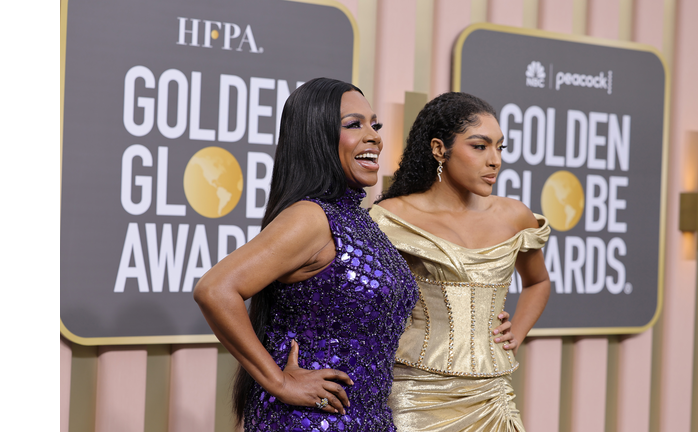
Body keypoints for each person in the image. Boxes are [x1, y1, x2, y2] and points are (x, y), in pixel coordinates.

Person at [193, 77, 419, 431]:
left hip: (365, 418)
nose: (374, 135)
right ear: (318, 138)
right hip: (311, 420)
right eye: (354, 125)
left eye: (374, 124)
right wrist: (279, 382)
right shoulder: (311, 217)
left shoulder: (357, 218)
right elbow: (215, 289)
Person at [371, 92, 551, 432]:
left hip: (492, 396)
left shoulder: (515, 215)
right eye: (480, 146)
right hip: (415, 395)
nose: (495, 160)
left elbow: (539, 282)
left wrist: (517, 332)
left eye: (501, 147)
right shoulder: (392, 217)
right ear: (439, 149)